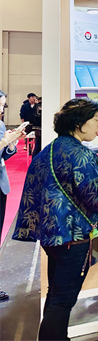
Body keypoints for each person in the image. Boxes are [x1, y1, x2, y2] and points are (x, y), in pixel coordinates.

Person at [13, 98, 98, 340]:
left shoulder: (47, 151)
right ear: (79, 124)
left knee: (56, 295)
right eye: (96, 119)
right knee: (63, 300)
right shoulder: (82, 155)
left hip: (51, 236)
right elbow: (96, 198)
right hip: (74, 237)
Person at [0, 90, 25, 302]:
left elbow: (3, 157)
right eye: (0, 105)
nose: (1, 110)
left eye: (3, 106)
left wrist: (11, 143)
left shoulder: (0, 125)